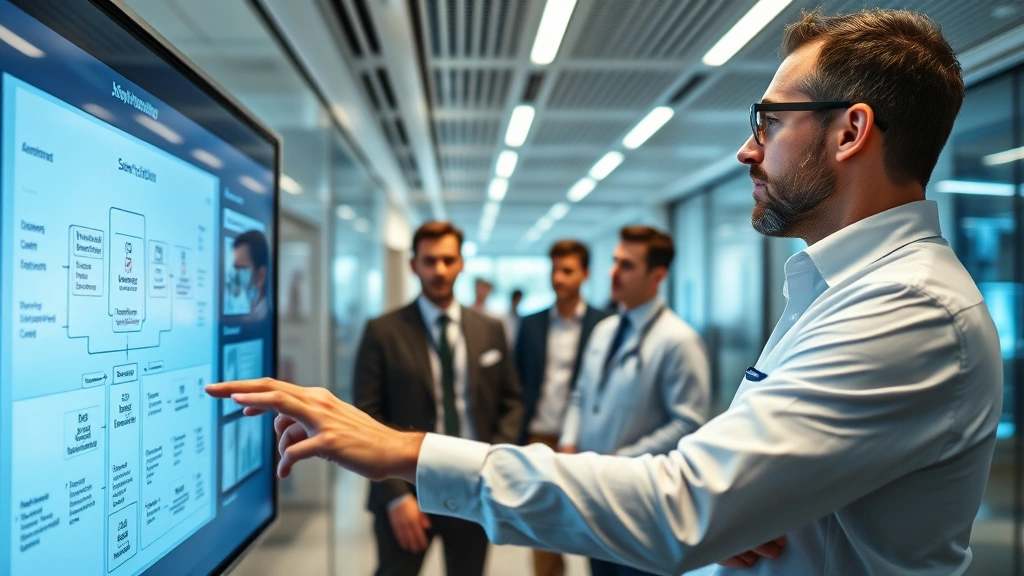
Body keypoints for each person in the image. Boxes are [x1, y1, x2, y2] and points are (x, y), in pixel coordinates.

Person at [207, 8, 1003, 575]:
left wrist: (407, 453)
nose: (745, 149)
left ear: (850, 131)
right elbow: (742, 490)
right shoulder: (836, 288)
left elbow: (680, 506)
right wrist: (751, 509)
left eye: (768, 120)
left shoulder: (908, 309)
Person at [350, 221, 523, 576]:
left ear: (461, 263)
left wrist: (493, 464)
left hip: (472, 485)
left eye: (448, 260)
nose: (439, 270)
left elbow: (512, 402)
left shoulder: (489, 329)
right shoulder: (383, 332)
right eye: (429, 261)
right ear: (414, 265)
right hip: (406, 487)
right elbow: (366, 418)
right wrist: (396, 495)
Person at [561, 226, 709, 576]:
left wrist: (619, 463)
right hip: (594, 493)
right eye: (614, 262)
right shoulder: (604, 331)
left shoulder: (679, 341)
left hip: (640, 500)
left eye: (626, 265)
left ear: (657, 275)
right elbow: (581, 394)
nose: (613, 272)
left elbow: (688, 423)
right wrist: (568, 442)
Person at [513, 240, 611, 576]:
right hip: (538, 436)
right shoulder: (531, 323)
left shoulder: (605, 324)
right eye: (554, 270)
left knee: (591, 526)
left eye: (567, 271)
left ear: (585, 274)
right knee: (540, 530)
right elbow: (517, 381)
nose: (558, 278)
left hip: (586, 440)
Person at [231, 230, 269, 321]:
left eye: (240, 268)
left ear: (260, 276)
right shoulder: (248, 317)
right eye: (234, 269)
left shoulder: (260, 321)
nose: (233, 277)